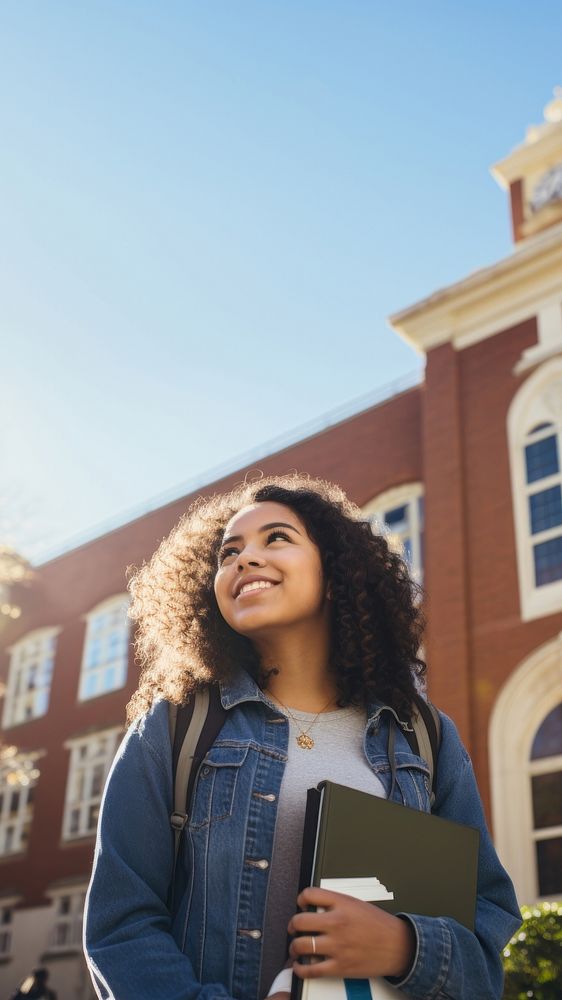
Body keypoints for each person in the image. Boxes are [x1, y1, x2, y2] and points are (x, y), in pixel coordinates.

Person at [84, 474, 521, 1000]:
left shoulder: (425, 737)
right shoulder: (173, 728)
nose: (243, 560)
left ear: (335, 573)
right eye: (229, 552)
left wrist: (406, 947)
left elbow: (487, 931)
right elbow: (119, 930)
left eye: (277, 538)